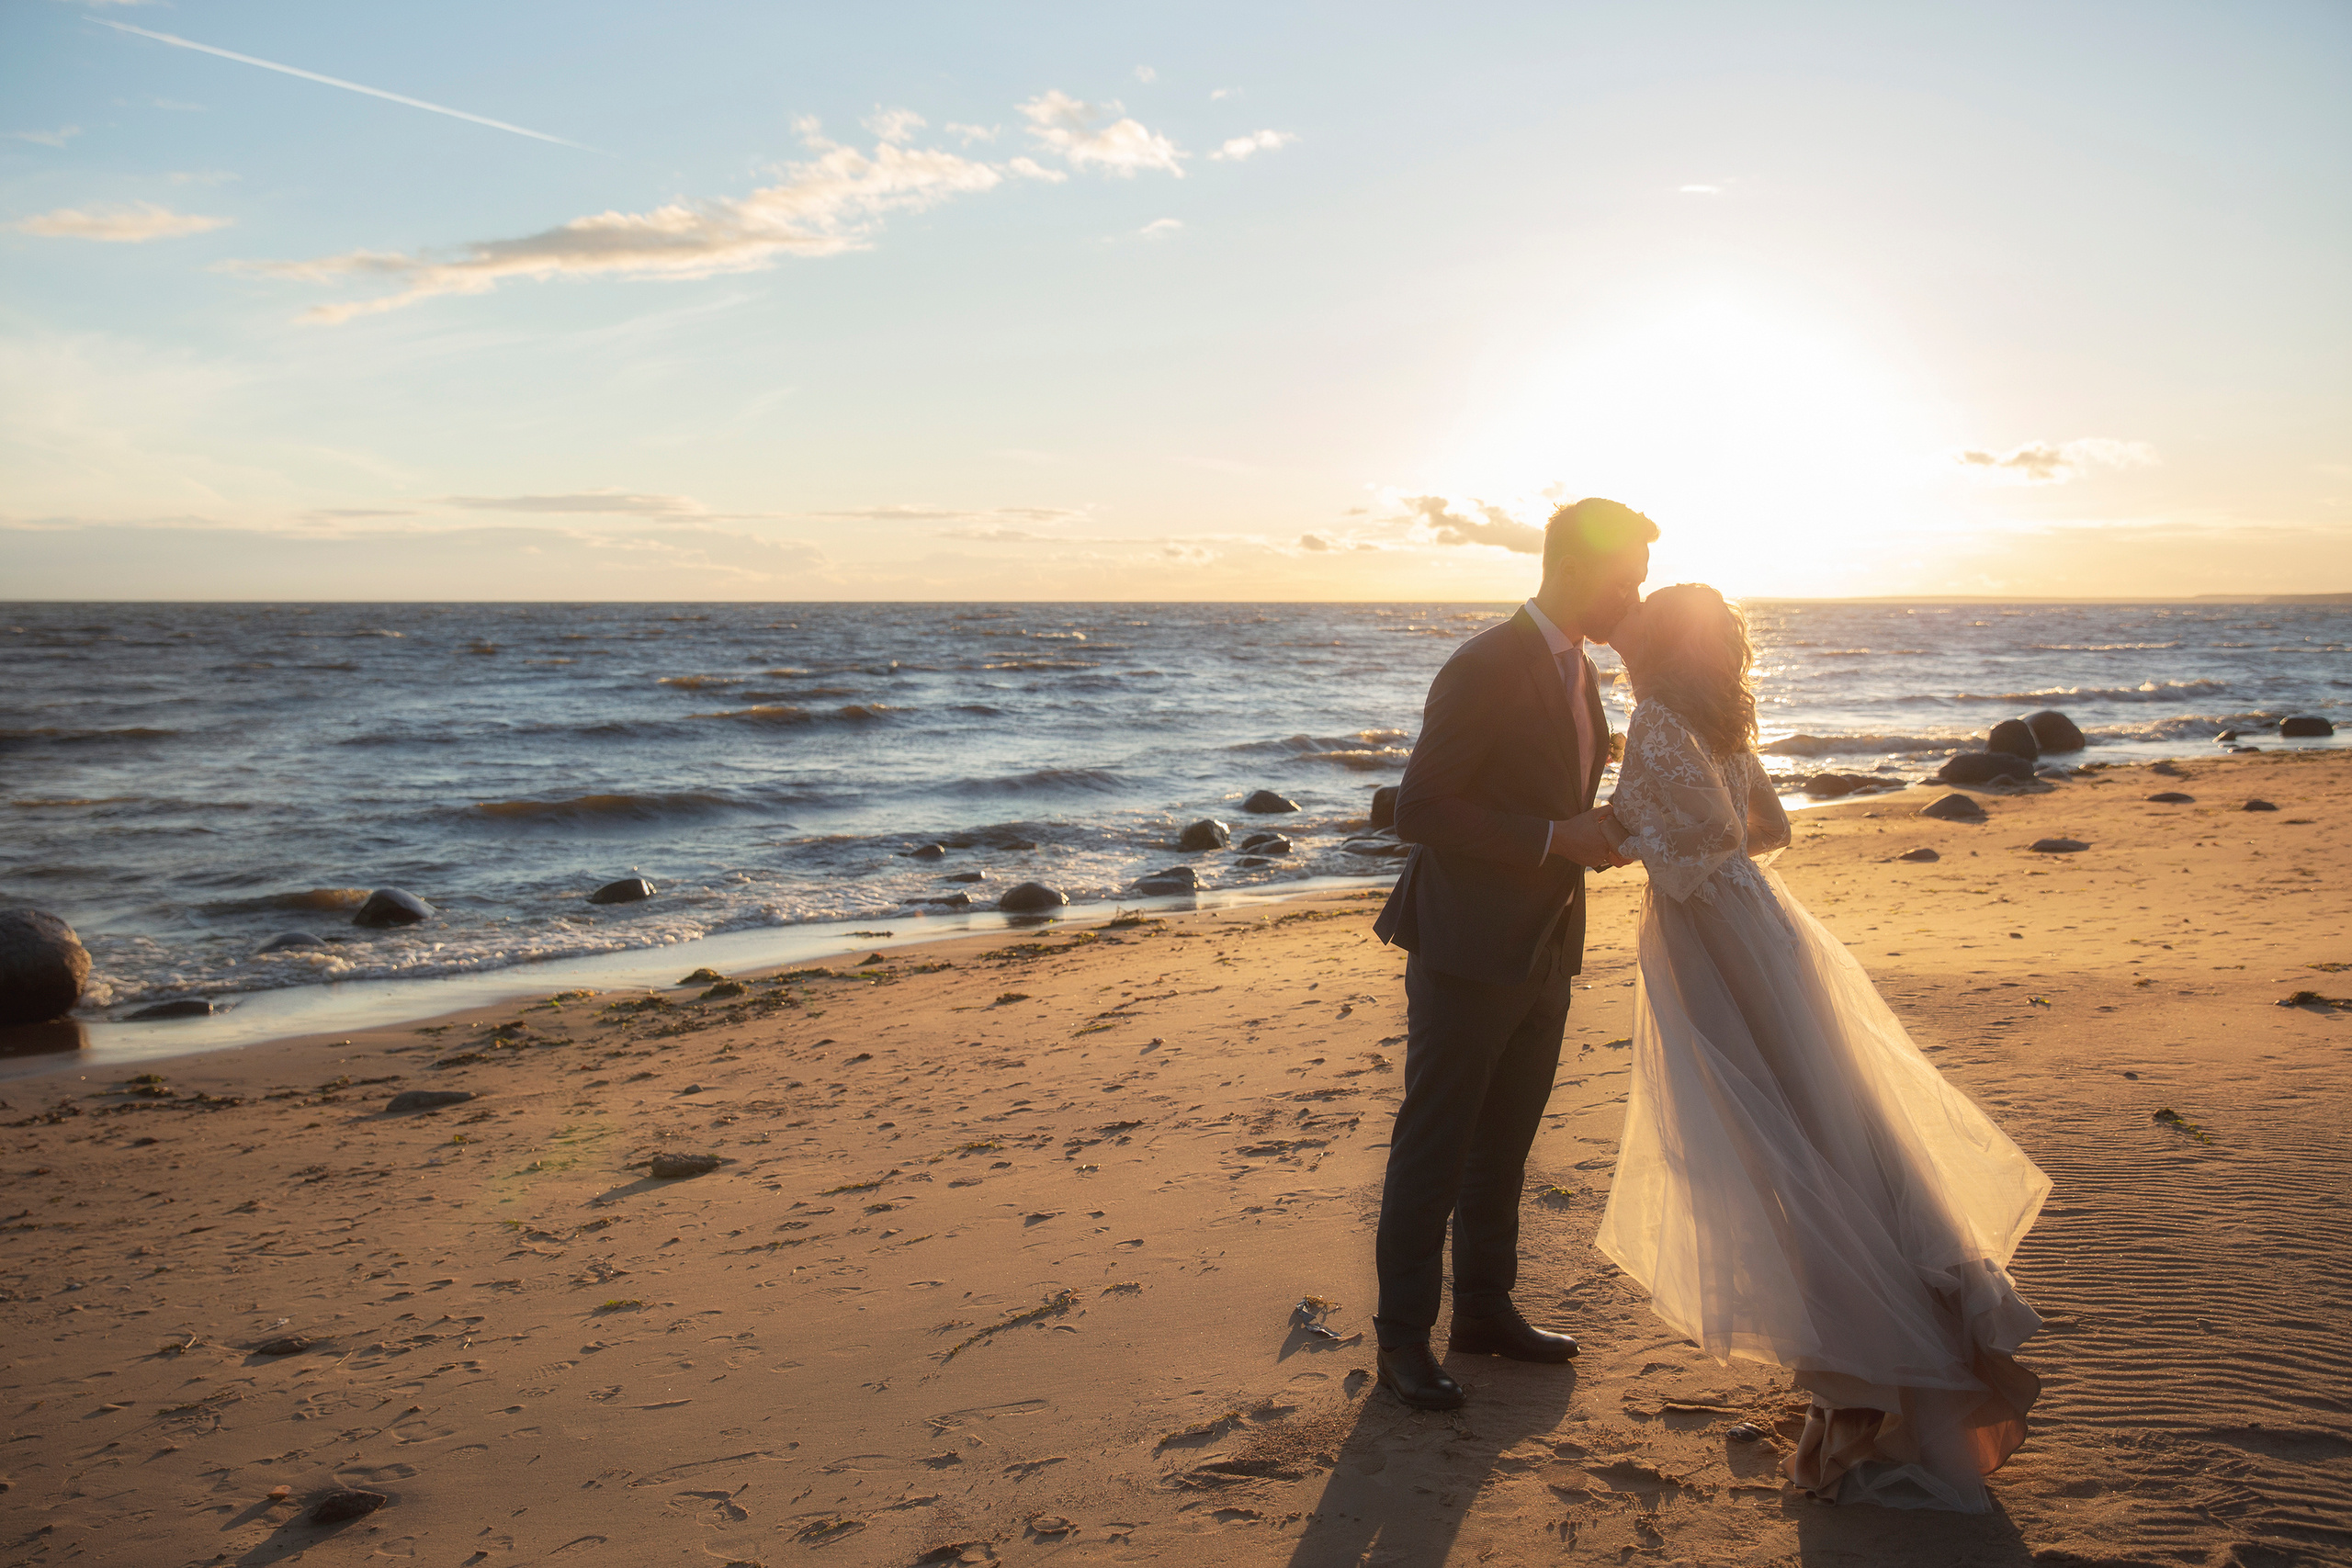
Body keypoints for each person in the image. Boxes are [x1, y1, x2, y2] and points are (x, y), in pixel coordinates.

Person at [1596, 583, 2049, 1512]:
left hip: (1712, 942)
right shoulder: (1718, 720)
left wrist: (1626, 834)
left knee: (1782, 1151)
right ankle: (1880, 1375)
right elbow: (1770, 829)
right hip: (1762, 927)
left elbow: (1712, 833)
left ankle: (1867, 1385)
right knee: (1830, 1131)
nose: (1624, 627)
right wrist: (1683, 843)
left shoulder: (1654, 718)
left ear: (1664, 642)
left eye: (1643, 618)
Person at [1368, 497, 1655, 1411]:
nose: (1633, 598)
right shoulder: (1484, 663)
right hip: (1465, 944)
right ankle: (1402, 1341)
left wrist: (1600, 834)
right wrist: (1553, 838)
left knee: (1504, 1144)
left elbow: (1555, 801)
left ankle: (1484, 1313)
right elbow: (1421, 808)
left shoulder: (1583, 671)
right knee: (1435, 1145)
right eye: (1624, 580)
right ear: (1572, 568)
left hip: (1546, 942)